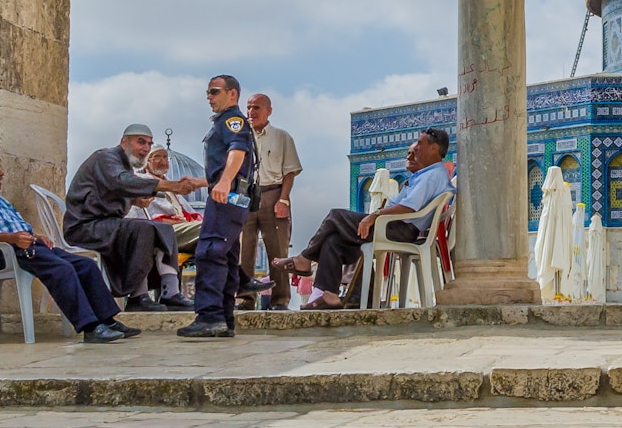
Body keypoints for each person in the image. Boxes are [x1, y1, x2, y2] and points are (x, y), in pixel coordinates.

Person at [0, 154, 138, 343]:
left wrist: (34, 237)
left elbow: (16, 228)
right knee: (61, 269)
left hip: (22, 246)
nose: (2, 173)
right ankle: (90, 328)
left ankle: (108, 321)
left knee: (85, 264)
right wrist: (13, 238)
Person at [273, 128, 452, 310]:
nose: (416, 150)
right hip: (394, 225)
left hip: (400, 228)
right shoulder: (427, 175)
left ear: (434, 148)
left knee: (335, 216)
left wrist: (373, 216)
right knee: (333, 241)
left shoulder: (432, 175)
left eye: (420, 144)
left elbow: (409, 207)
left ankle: (304, 259)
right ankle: (330, 296)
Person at [64, 124, 205, 311]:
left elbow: (112, 193)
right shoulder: (106, 157)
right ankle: (138, 296)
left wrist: (135, 200)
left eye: (149, 143)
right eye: (141, 142)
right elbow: (120, 182)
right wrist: (171, 186)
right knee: (144, 229)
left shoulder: (123, 166)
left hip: (106, 225)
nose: (145, 148)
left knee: (162, 229)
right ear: (124, 142)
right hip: (85, 227)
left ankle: (170, 292)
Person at [180, 75, 261, 338]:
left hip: (226, 198)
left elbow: (238, 152)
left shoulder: (231, 120)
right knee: (225, 255)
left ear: (232, 94)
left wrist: (223, 182)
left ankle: (210, 317)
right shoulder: (226, 121)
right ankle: (224, 319)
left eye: (215, 91)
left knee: (209, 251)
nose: (209, 97)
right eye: (208, 92)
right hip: (232, 196)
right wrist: (204, 181)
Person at [240, 94, 303, 310]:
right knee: (244, 249)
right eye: (248, 108)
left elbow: (289, 172)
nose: (251, 112)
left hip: (273, 194)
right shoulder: (240, 138)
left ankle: (280, 300)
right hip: (246, 196)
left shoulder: (281, 137)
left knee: (277, 250)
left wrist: (283, 200)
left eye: (256, 107)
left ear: (268, 111)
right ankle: (245, 299)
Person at [131, 145, 200, 309]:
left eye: (164, 157)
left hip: (179, 231)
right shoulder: (145, 183)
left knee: (215, 240)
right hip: (161, 232)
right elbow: (149, 219)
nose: (162, 161)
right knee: (210, 231)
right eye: (157, 157)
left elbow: (189, 213)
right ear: (147, 163)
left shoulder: (169, 187)